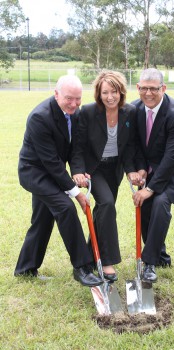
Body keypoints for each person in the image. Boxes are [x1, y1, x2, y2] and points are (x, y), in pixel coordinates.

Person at [14, 75, 103, 287]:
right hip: (35, 173)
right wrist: (76, 193)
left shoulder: (75, 112)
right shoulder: (40, 117)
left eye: (78, 99)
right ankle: (82, 267)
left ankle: (25, 269)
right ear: (56, 94)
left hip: (53, 172)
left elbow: (75, 148)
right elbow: (52, 163)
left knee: (43, 219)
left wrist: (78, 172)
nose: (74, 104)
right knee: (65, 208)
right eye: (68, 98)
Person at [128, 68, 174, 283]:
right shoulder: (134, 109)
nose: (148, 93)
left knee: (159, 202)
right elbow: (134, 145)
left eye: (153, 89)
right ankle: (160, 255)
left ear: (163, 89)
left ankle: (149, 263)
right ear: (138, 87)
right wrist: (139, 168)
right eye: (143, 88)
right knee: (146, 207)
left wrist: (149, 188)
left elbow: (172, 158)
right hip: (151, 171)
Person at [72, 70, 138, 282]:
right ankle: (107, 262)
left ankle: (90, 257)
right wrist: (77, 171)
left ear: (121, 92)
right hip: (95, 169)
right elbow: (78, 147)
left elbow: (129, 147)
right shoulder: (89, 112)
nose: (110, 97)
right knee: (107, 204)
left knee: (103, 212)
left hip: (115, 169)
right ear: (99, 94)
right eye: (105, 92)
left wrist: (130, 170)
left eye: (114, 91)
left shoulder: (130, 112)